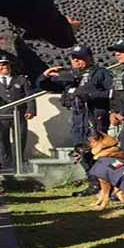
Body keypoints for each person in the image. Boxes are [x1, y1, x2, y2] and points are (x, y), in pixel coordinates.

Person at [37, 45, 112, 197]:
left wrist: (91, 95)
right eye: (74, 58)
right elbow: (44, 85)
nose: (77, 61)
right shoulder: (70, 77)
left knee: (100, 152)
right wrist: (45, 75)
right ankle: (93, 183)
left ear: (89, 58)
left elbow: (112, 93)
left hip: (95, 115)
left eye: (81, 58)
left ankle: (107, 184)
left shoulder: (101, 73)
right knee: (81, 151)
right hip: (78, 118)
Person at [0, 55, 36, 169]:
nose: (4, 66)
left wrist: (31, 109)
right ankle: (5, 164)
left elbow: (29, 96)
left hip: (19, 114)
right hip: (0, 116)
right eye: (0, 64)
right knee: (1, 140)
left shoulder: (21, 79)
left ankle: (19, 163)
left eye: (6, 63)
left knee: (20, 138)